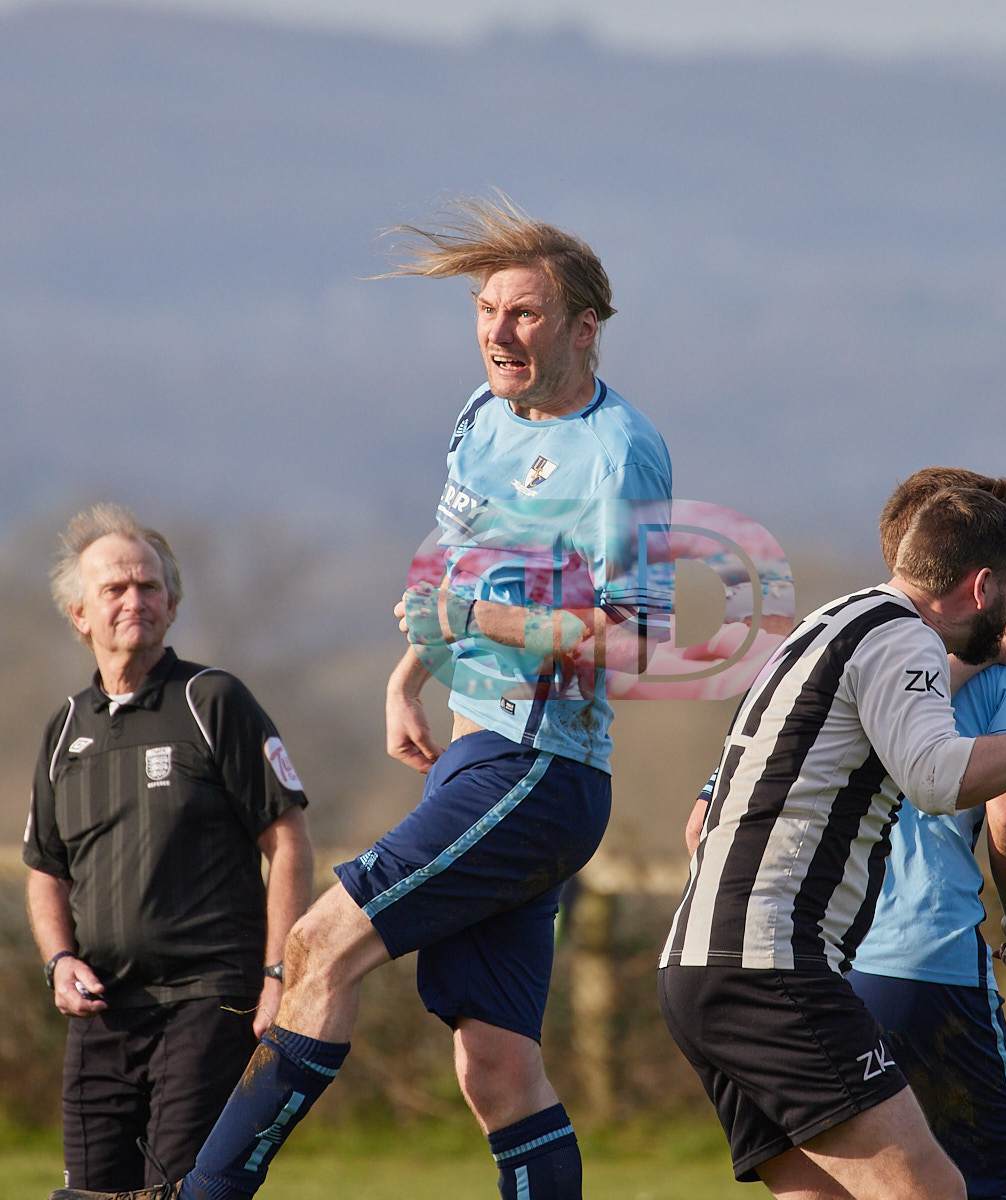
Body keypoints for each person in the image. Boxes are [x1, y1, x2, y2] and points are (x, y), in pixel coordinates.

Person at [58, 199, 672, 1200]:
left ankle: (199, 1194)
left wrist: (480, 619)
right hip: (479, 758)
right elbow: (451, 572)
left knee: (318, 944)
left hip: (541, 769)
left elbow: (637, 635)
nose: (497, 332)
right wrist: (409, 674)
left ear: (583, 327)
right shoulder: (482, 418)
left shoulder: (619, 451)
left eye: (523, 313)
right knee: (495, 1069)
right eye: (485, 310)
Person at [659, 483, 1006, 1200]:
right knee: (931, 1188)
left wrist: (989, 653)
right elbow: (939, 778)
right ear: (983, 586)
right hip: (774, 966)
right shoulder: (902, 638)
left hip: (695, 964)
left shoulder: (839, 621)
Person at [24, 504, 313, 1195]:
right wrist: (60, 961)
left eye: (149, 586)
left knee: (178, 1190)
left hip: (208, 1001)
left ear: (172, 604)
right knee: (91, 1191)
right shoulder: (65, 729)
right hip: (103, 1011)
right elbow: (45, 871)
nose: (135, 600)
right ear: (79, 614)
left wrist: (279, 975)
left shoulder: (212, 701)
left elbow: (288, 841)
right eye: (115, 588)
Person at [848, 468, 1006, 1200]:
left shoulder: (824, 650)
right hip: (927, 961)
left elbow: (704, 825)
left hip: (812, 964)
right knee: (996, 1188)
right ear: (982, 579)